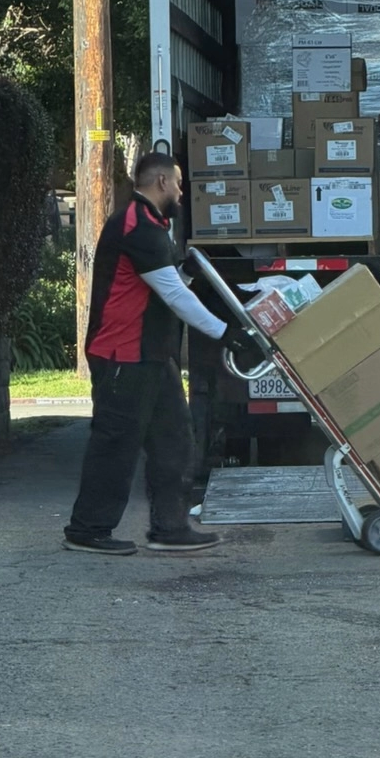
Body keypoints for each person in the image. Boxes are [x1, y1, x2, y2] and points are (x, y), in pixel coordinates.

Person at [63, 151, 240, 556]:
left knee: (174, 440)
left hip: (150, 355)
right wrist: (225, 332)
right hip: (123, 354)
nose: (181, 191)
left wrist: (189, 273)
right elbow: (172, 294)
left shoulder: (152, 226)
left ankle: (170, 528)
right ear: (161, 182)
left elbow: (162, 285)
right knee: (116, 444)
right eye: (178, 183)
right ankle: (88, 529)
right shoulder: (136, 226)